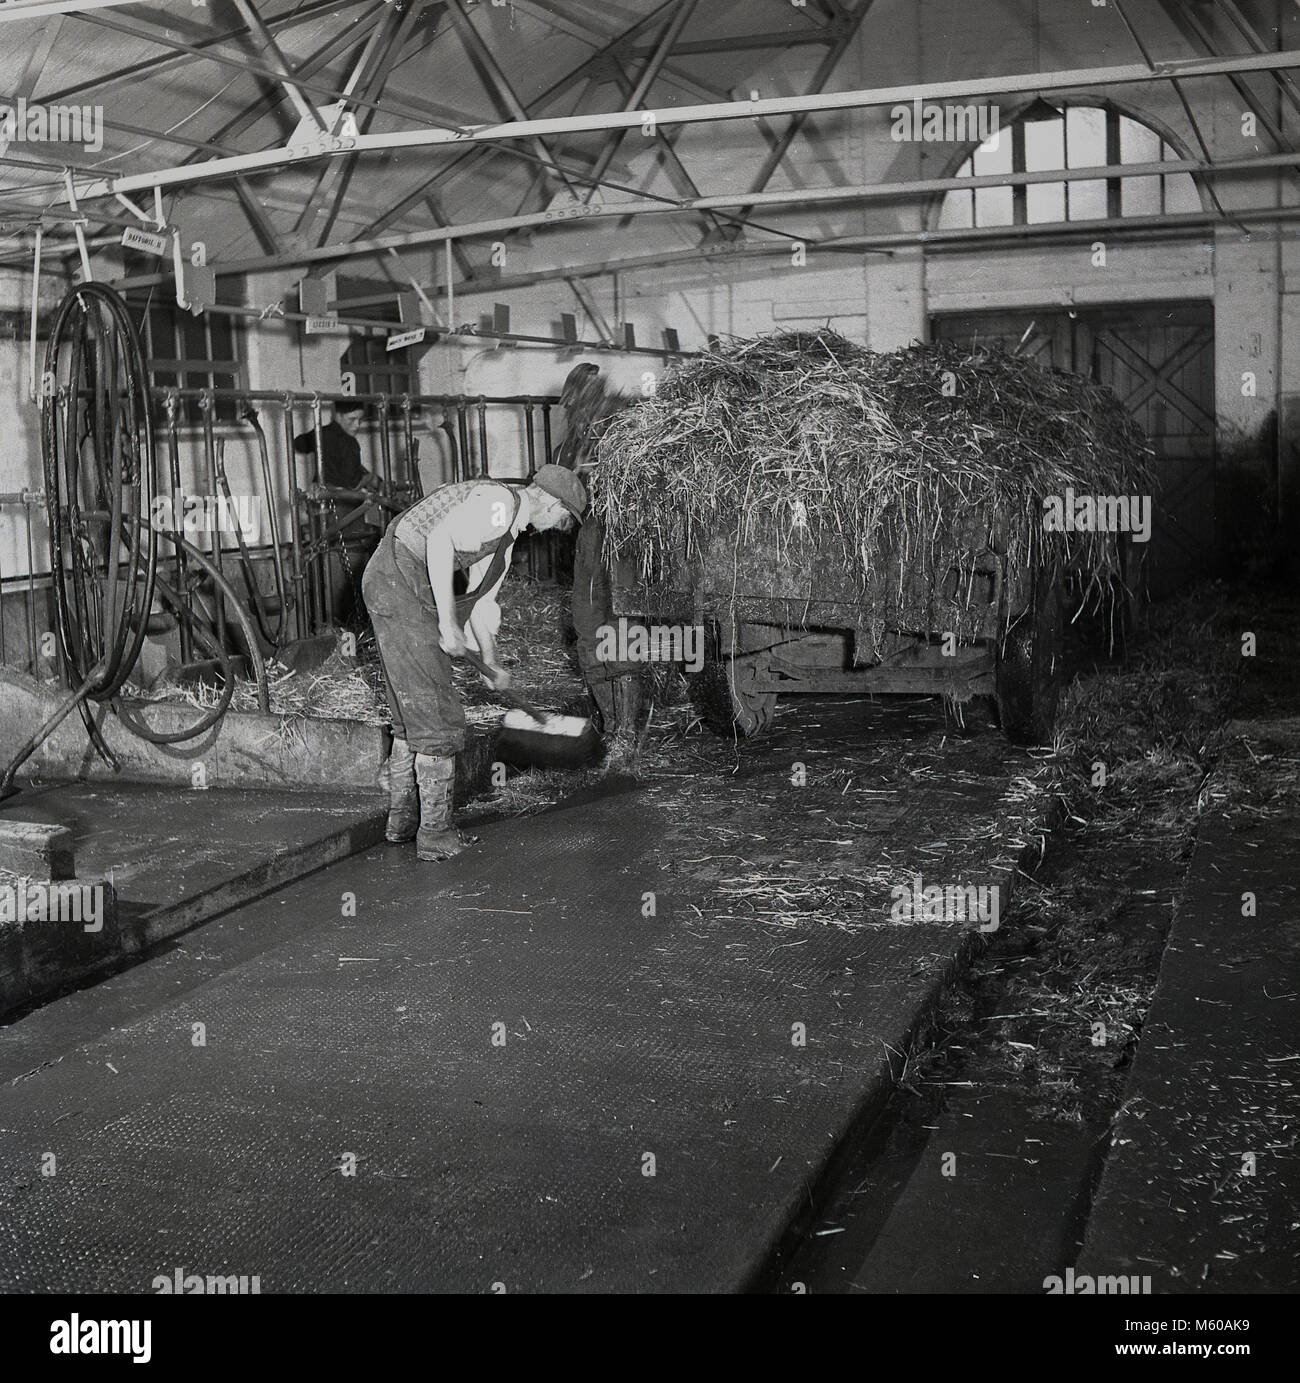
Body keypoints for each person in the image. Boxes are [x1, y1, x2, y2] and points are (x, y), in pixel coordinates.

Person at [362, 464, 587, 862]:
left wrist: (492, 661)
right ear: (551, 502)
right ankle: (434, 834)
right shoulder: (500, 505)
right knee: (438, 713)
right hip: (399, 576)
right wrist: (448, 623)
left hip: (393, 579)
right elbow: (441, 541)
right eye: (564, 518)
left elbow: (482, 602)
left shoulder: (506, 528)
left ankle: (401, 823)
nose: (558, 527)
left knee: (412, 711)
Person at [293, 399, 381, 627]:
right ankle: (348, 622)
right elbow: (353, 479)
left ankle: (327, 622)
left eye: (360, 419)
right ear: (338, 416)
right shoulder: (350, 443)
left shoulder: (325, 433)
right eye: (352, 419)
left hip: (321, 510)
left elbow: (299, 444)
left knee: (325, 563)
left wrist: (318, 434)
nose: (357, 425)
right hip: (342, 509)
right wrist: (371, 480)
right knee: (349, 566)